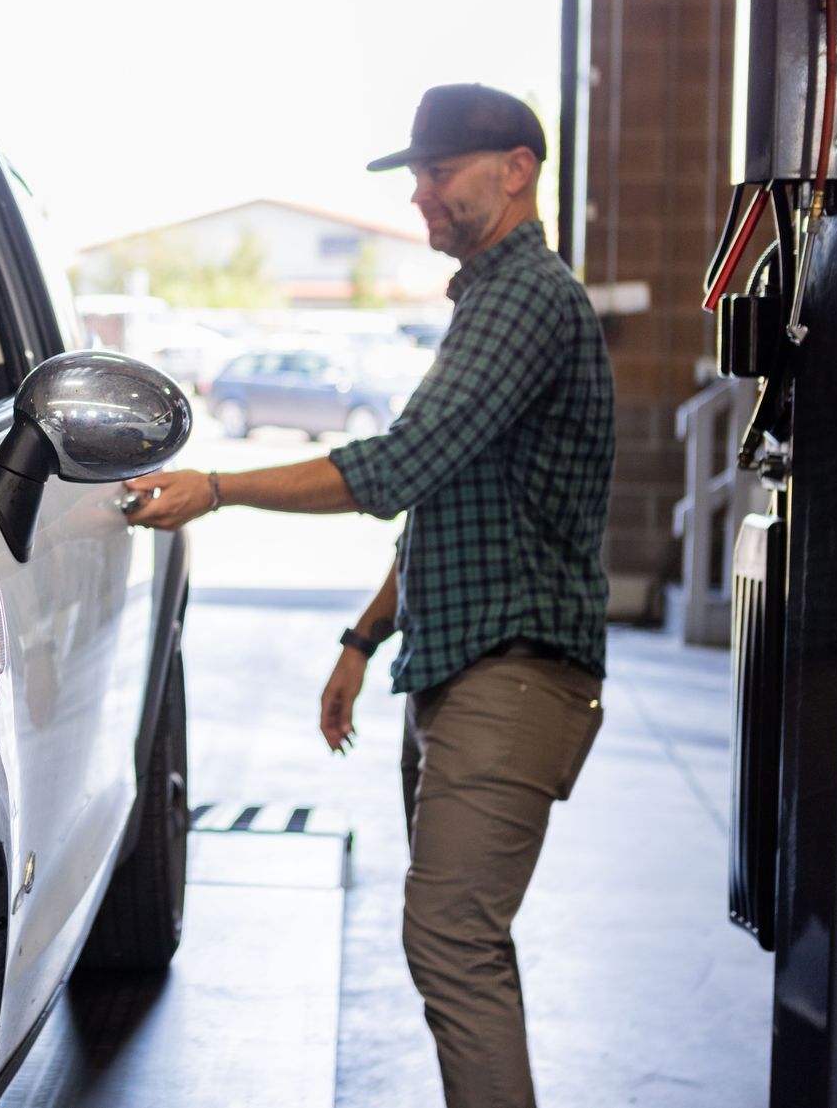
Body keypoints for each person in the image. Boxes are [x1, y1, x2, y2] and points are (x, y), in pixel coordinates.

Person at [124, 83, 615, 1108]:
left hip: (512, 678)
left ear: (516, 169)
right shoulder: (489, 297)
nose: (423, 196)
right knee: (463, 945)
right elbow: (445, 492)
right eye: (419, 176)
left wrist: (217, 488)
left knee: (450, 944)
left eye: (440, 172)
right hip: (456, 666)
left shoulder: (526, 299)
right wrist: (363, 637)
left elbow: (393, 467)